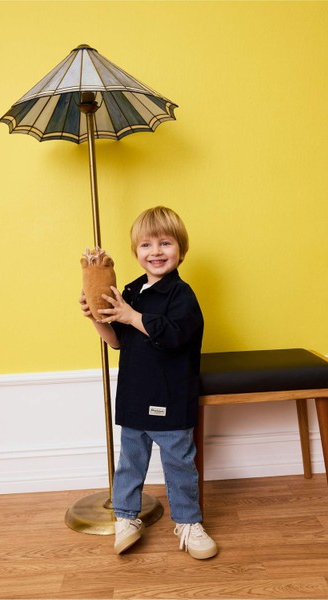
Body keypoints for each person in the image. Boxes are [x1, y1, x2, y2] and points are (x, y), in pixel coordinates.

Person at [79, 206, 218, 560]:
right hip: (135, 394)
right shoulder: (131, 291)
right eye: (146, 245)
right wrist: (97, 318)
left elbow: (173, 336)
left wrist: (131, 315)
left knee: (179, 462)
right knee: (130, 462)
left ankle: (188, 521)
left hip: (171, 397)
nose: (155, 251)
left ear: (181, 250)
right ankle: (126, 518)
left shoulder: (182, 295)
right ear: (136, 252)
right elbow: (117, 341)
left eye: (165, 243)